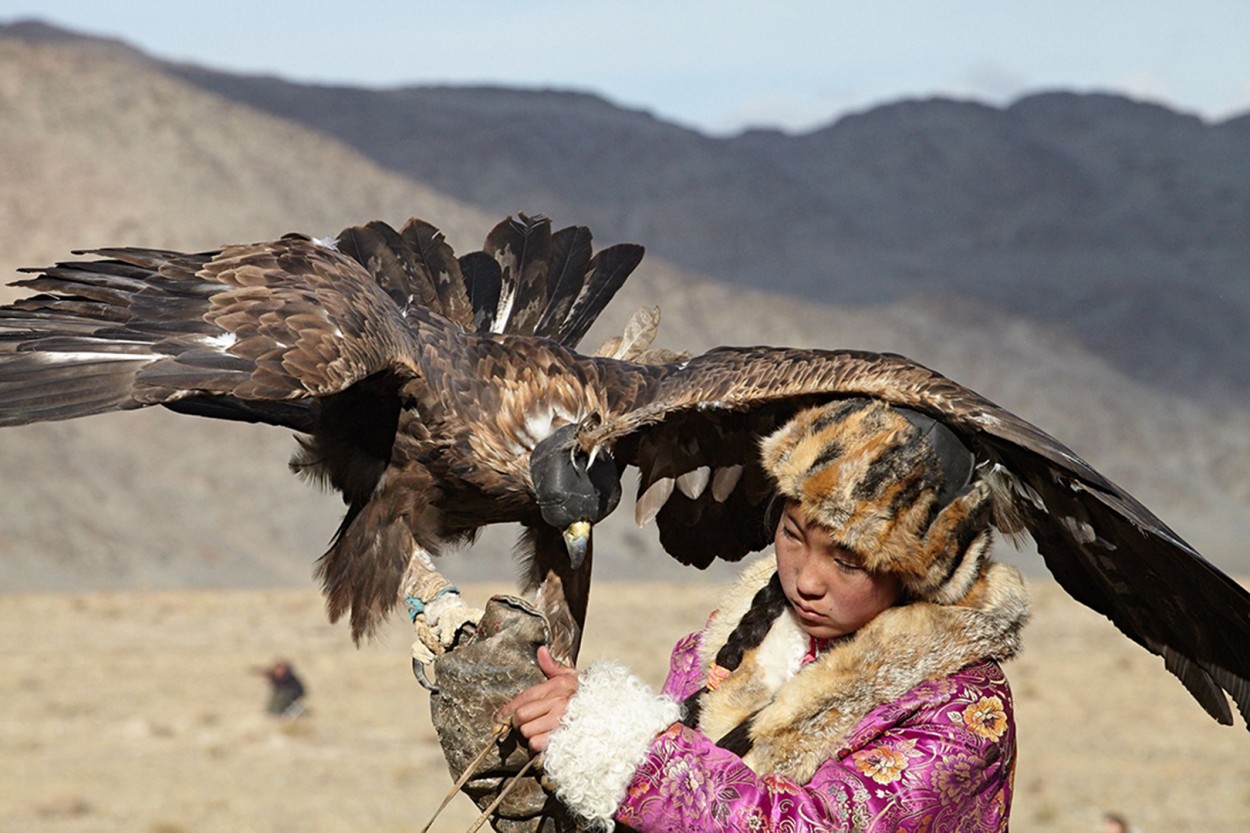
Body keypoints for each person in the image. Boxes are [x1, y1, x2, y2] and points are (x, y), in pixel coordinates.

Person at [502, 398, 1030, 832]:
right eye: (793, 536)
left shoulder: (961, 712)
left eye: (846, 560)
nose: (805, 579)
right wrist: (567, 727)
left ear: (917, 573)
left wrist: (624, 748)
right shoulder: (733, 636)